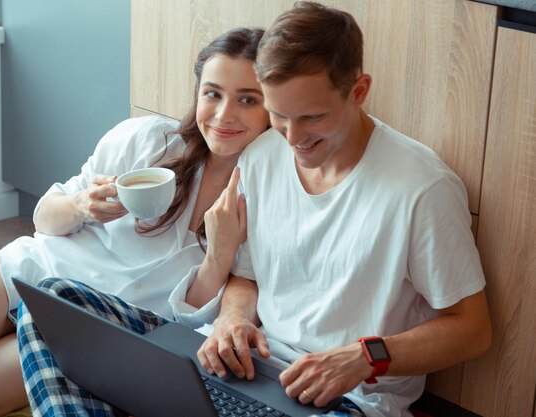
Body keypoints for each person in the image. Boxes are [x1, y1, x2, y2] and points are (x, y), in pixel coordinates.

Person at [0, 28, 268, 417]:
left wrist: (218, 255)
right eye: (212, 93)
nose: (223, 114)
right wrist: (82, 205)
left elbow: (188, 317)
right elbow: (44, 219)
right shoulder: (147, 140)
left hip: (85, 328)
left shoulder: (266, 198)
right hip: (32, 269)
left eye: (247, 100)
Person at [195, 3, 492, 417]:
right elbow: (246, 278)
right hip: (256, 371)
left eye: (312, 117)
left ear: (359, 90)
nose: (293, 138)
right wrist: (232, 320)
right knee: (78, 313)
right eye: (278, 115)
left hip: (351, 399)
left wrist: (365, 357)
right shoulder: (262, 156)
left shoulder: (423, 189)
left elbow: (472, 330)